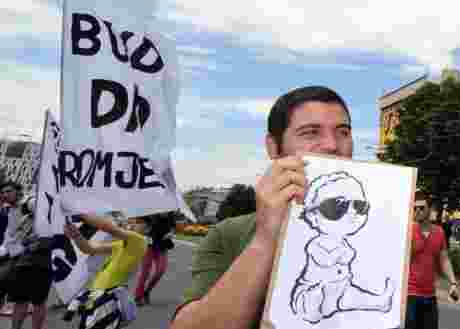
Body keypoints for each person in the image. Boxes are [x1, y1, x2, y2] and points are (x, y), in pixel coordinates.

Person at [170, 85, 354, 329]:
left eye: (343, 132)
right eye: (310, 133)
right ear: (273, 147)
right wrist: (266, 239)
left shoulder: (385, 227)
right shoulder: (230, 234)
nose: (332, 145)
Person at [63, 213, 149, 329]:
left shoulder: (139, 241)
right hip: (96, 295)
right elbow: (89, 249)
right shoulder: (119, 244)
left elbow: (111, 229)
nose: (132, 224)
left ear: (148, 228)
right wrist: (76, 234)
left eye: (138, 222)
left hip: (109, 299)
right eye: (131, 221)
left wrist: (82, 215)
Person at [406, 192, 459, 329]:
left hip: (430, 295)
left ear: (429, 209)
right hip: (410, 295)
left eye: (422, 208)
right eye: (414, 208)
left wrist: (453, 283)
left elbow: (444, 259)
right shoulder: (407, 231)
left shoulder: (439, 232)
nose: (417, 211)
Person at [1, 193, 53, 329]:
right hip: (23, 264)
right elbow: (15, 239)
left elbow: (50, 241)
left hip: (42, 263)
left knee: (38, 303)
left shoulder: (50, 220)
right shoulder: (24, 219)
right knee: (21, 302)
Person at [134, 212, 176, 306]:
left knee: (161, 270)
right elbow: (139, 227)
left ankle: (147, 291)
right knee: (145, 273)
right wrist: (145, 229)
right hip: (149, 245)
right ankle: (138, 297)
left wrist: (171, 233)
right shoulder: (150, 212)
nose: (164, 213)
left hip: (162, 246)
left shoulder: (170, 214)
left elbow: (173, 228)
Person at [0, 181, 23, 316]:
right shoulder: (8, 209)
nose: (5, 195)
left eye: (8, 191)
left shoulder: (28, 206)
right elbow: (9, 233)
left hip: (19, 254)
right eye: (3, 192)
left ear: (18, 192)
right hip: (7, 251)